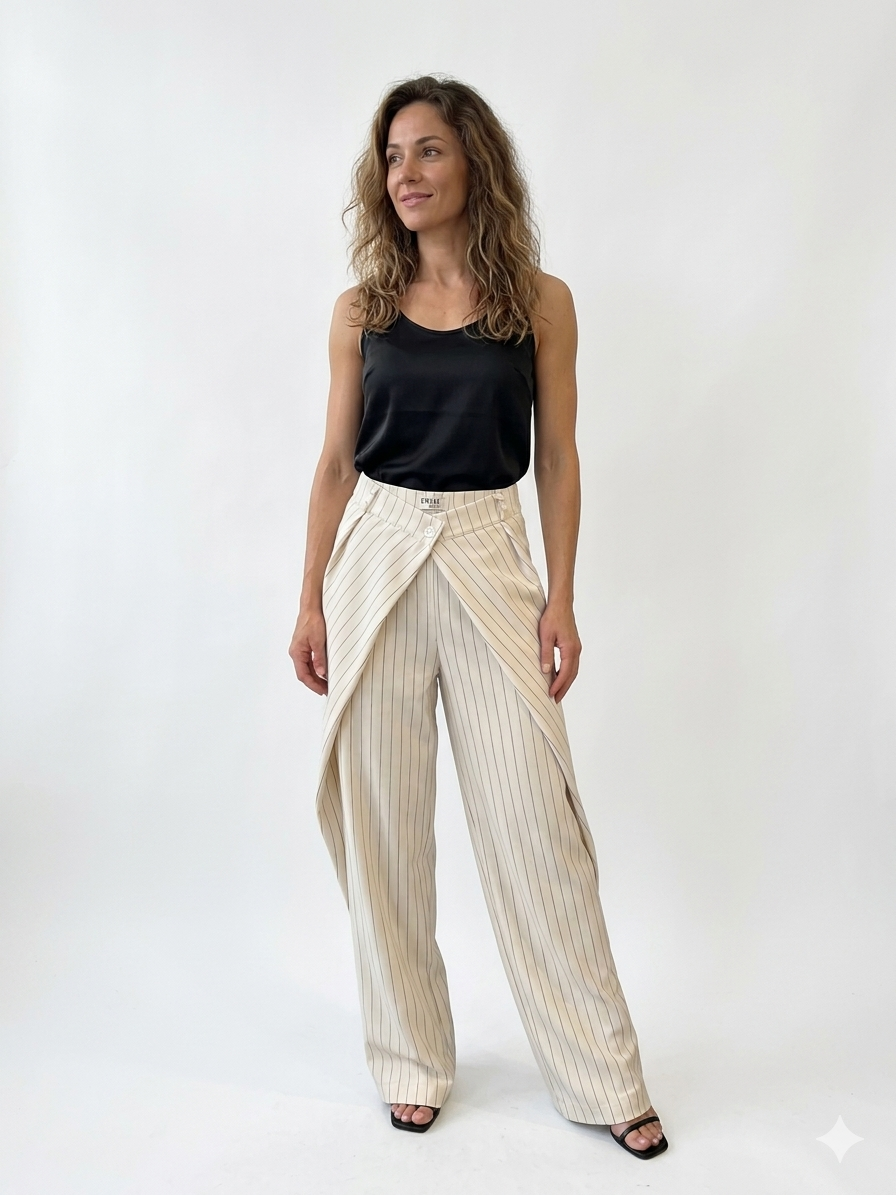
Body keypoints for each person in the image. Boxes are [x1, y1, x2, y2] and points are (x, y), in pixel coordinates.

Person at [288, 74, 668, 1160]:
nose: (404, 174)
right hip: (375, 554)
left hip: (490, 552)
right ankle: (409, 1058)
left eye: (428, 151)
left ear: (474, 164)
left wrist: (562, 596)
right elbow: (333, 463)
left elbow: (559, 459)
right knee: (383, 829)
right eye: (392, 156)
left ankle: (602, 1071)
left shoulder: (539, 301)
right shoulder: (360, 310)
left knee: (536, 826)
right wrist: (309, 597)